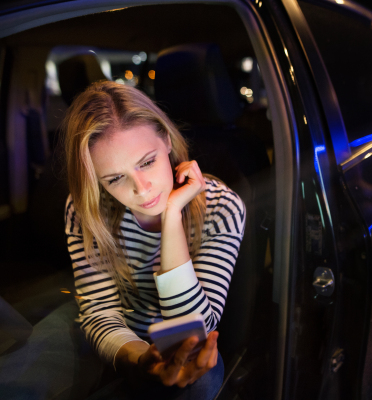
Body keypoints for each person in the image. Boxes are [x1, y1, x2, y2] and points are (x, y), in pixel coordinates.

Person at [63, 81, 245, 399]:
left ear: (166, 140)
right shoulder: (86, 210)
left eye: (147, 162)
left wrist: (172, 215)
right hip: (120, 340)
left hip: (183, 347)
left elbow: (193, 327)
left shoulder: (221, 206)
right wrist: (138, 357)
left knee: (197, 379)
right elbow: (99, 311)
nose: (142, 189)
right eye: (115, 178)